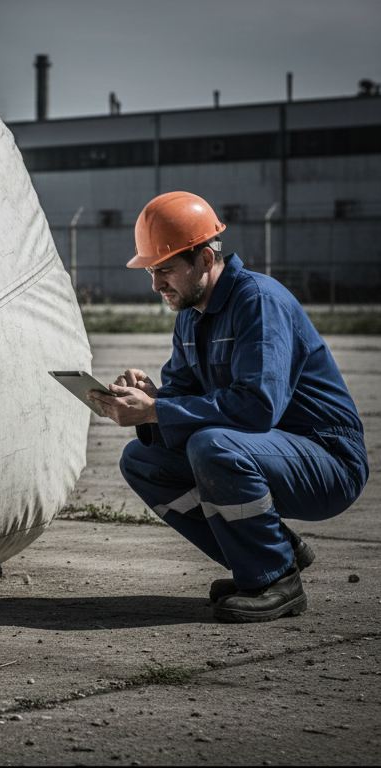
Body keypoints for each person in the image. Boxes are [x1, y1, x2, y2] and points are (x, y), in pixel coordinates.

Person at [89, 191, 369, 623]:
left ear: (204, 259)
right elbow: (184, 398)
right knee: (142, 460)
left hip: (327, 458)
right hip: (264, 451)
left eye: (164, 270)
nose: (155, 284)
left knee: (211, 446)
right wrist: (150, 397)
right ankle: (266, 553)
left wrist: (156, 412)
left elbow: (257, 407)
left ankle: (276, 580)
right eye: (150, 271)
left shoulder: (257, 301)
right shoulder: (190, 315)